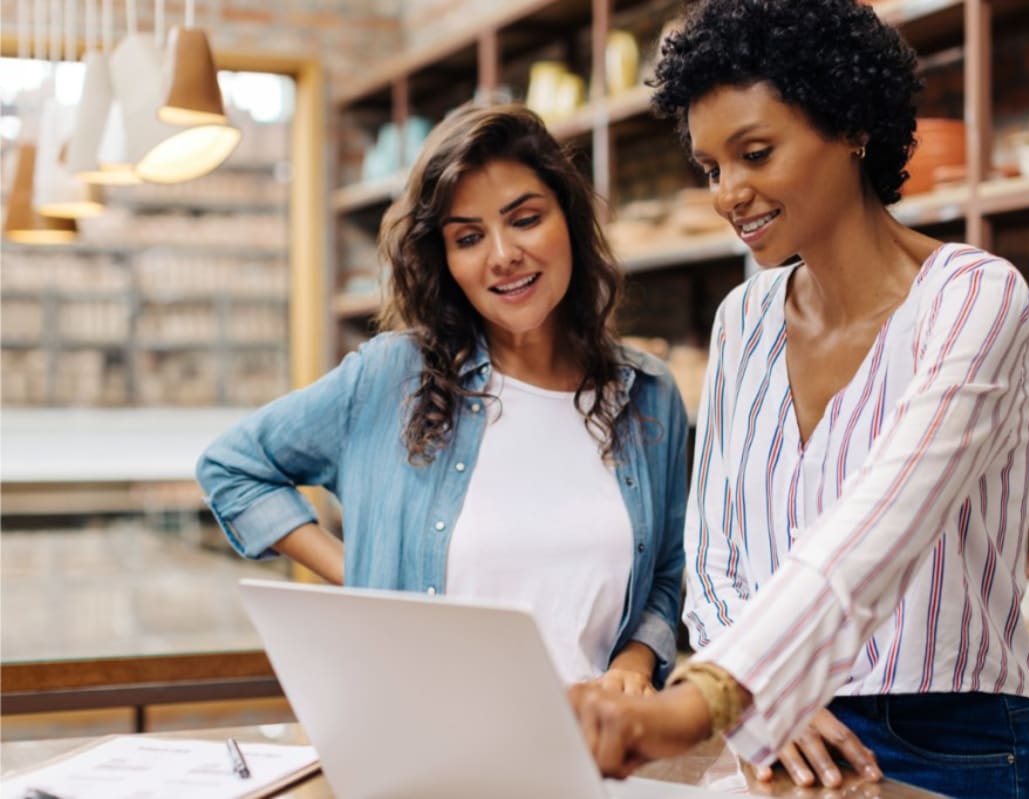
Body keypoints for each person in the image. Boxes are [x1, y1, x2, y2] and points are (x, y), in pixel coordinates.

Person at [568, 0, 1029, 795]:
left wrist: (715, 695)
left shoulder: (975, 300)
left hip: (949, 742)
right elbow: (716, 549)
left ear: (851, 124)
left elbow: (883, 522)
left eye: (756, 153)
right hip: (772, 742)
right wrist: (764, 707)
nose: (729, 193)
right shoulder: (743, 316)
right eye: (713, 168)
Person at [197, 103, 690, 694]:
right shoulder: (393, 377)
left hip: (602, 760)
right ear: (446, 261)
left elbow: (665, 569)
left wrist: (636, 661)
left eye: (526, 219)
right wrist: (359, 578)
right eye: (469, 237)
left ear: (570, 220)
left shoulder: (648, 393)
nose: (503, 254)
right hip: (425, 743)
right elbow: (232, 467)